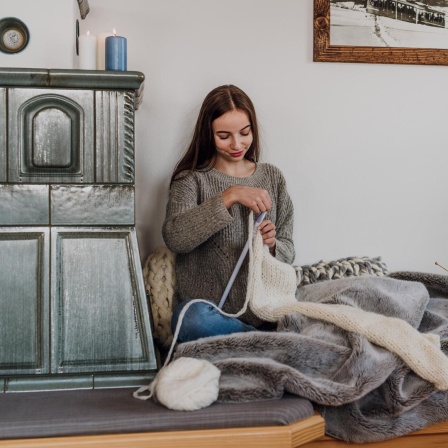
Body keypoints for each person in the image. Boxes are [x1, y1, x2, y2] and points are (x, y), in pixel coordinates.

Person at [162, 84, 295, 343]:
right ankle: (270, 344)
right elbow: (175, 237)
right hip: (210, 314)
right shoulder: (190, 180)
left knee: (306, 314)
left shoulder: (272, 177)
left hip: (264, 311)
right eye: (224, 136)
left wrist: (272, 244)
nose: (237, 144)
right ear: (207, 134)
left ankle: (255, 341)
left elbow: (288, 250)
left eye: (245, 133)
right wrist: (229, 196)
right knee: (189, 319)